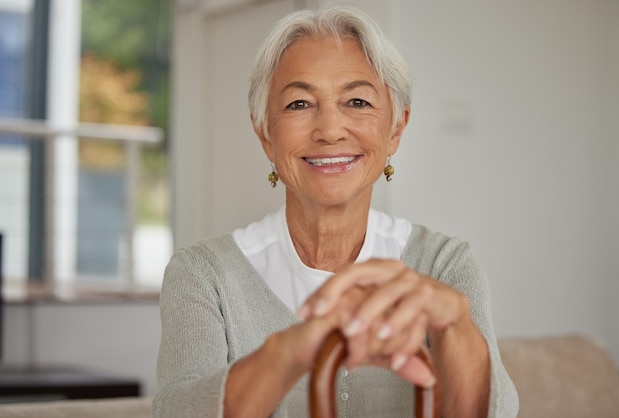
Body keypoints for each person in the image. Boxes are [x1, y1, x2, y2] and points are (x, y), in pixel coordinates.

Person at [153, 5, 518, 418]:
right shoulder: (202, 274)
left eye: (358, 101)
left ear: (396, 129)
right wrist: (292, 348)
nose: (329, 130)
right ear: (264, 134)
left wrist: (454, 329)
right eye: (299, 104)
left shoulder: (445, 265)